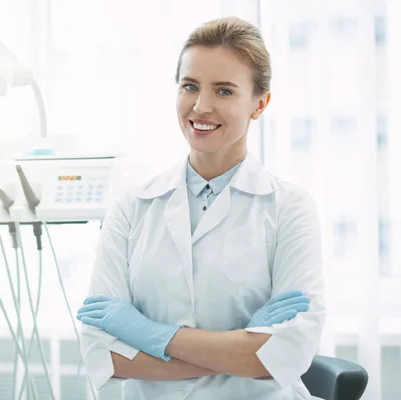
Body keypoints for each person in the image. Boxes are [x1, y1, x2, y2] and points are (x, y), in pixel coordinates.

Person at [76, 17, 326, 400]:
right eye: (190, 86)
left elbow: (287, 354)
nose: (201, 106)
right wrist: (241, 350)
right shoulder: (132, 206)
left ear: (260, 104)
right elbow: (101, 352)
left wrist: (146, 333)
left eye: (224, 91)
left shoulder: (289, 208)